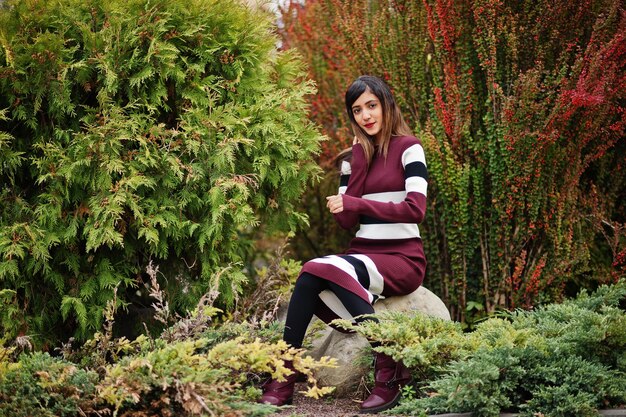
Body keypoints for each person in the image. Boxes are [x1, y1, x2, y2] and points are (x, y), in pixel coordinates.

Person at [259, 75, 428, 413]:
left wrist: (358, 204)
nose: (366, 116)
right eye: (357, 110)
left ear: (385, 104)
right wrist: (358, 164)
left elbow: (416, 209)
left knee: (314, 268)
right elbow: (346, 222)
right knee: (311, 276)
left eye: (371, 106)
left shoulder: (409, 147)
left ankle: (389, 369)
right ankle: (284, 373)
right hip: (362, 255)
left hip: (402, 258)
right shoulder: (353, 158)